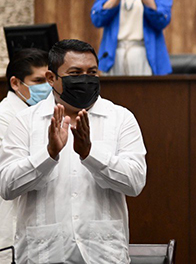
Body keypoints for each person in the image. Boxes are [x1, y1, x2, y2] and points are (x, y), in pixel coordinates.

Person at [0, 39, 147, 264]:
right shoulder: (25, 121)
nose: (85, 79)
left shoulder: (121, 118)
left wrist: (90, 154)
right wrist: (48, 155)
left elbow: (135, 182)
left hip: (103, 254)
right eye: (75, 73)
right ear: (51, 78)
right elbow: (7, 187)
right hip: (44, 254)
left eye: (92, 72)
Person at [0, 48, 50, 262]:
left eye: (49, 79)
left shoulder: (41, 112)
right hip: (12, 224)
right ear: (15, 83)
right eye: (38, 81)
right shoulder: (5, 117)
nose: (46, 87)